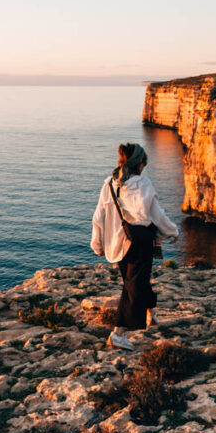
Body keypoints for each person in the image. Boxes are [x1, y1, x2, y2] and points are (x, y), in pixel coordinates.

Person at [91, 142, 179, 350]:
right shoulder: (143, 184)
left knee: (134, 281)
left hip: (116, 243)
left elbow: (98, 216)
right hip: (139, 243)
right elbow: (156, 214)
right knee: (134, 285)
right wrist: (172, 231)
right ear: (140, 163)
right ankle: (118, 333)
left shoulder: (109, 184)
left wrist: (97, 243)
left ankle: (152, 313)